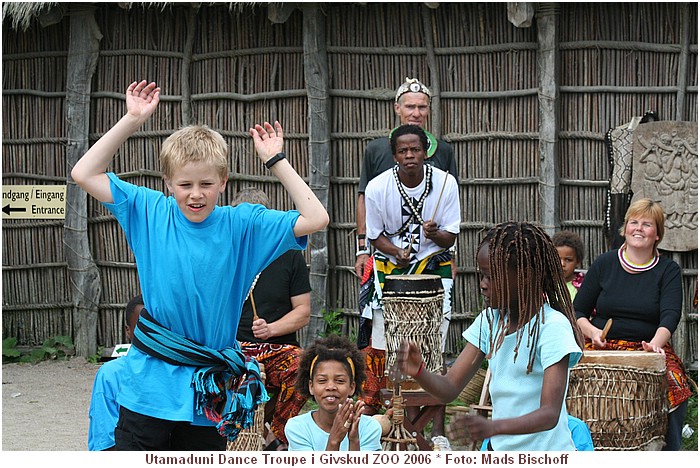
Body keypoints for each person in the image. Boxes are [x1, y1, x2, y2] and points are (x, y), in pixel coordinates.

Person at [71, 80, 329, 451]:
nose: (196, 194)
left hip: (206, 392)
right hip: (148, 386)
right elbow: (83, 173)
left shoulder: (243, 225)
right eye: (185, 184)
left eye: (207, 183)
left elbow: (317, 217)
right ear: (168, 184)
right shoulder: (148, 210)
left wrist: (276, 160)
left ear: (223, 182)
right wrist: (131, 118)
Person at [398, 222, 585, 451]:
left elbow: (549, 414)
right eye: (482, 275)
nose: (482, 285)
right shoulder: (490, 322)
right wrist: (419, 372)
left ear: (524, 276)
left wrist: (494, 427)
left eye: (491, 276)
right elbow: (448, 389)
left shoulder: (552, 327)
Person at [360, 124, 459, 434]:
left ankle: (437, 432)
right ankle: (393, 421)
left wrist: (435, 234)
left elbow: (450, 237)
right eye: (403, 151)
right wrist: (396, 252)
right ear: (394, 155)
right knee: (385, 346)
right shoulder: (378, 187)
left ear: (425, 151)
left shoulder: (445, 183)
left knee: (433, 346)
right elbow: (374, 236)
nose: (409, 155)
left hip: (434, 266)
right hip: (390, 267)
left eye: (415, 149)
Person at [573, 198, 692, 451]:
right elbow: (578, 310)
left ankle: (670, 453)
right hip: (602, 347)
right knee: (570, 380)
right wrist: (593, 332)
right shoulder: (605, 263)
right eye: (633, 222)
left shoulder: (668, 270)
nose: (638, 228)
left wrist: (655, 346)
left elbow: (670, 315)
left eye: (646, 224)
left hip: (647, 347)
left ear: (657, 234)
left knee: (676, 384)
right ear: (625, 228)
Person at [231, 187, 311, 451]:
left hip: (278, 349)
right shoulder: (224, 253)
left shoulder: (289, 253)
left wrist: (271, 329)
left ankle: (275, 435)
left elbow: (303, 312)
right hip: (233, 348)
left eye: (257, 221)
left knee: (303, 368)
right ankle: (226, 433)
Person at [355, 77, 458, 280]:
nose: (416, 113)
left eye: (422, 107)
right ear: (397, 108)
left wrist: (451, 255)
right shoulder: (376, 150)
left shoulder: (443, 151)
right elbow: (364, 199)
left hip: (433, 254)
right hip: (389, 253)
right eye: (410, 106)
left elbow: (450, 209)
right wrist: (362, 250)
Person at [284, 335, 382, 451]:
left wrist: (354, 441)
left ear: (352, 387)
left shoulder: (369, 428)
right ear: (311, 386)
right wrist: (334, 440)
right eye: (322, 381)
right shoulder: (297, 428)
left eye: (340, 381)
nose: (331, 387)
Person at [88, 294, 144, 451]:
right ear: (128, 331)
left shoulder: (173, 373)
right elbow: (105, 442)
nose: (148, 335)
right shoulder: (110, 375)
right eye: (141, 327)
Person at [551, 230, 586, 301]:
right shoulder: (545, 285)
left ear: (578, 261)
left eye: (568, 260)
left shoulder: (584, 286)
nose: (562, 264)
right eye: (557, 259)